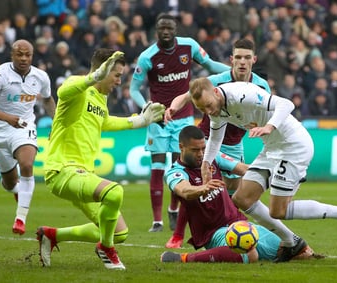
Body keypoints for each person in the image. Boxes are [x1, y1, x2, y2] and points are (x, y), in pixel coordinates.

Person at [189, 78, 337, 262]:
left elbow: (286, 103)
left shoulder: (242, 95)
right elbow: (215, 136)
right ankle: (292, 243)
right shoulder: (215, 107)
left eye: (209, 105)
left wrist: (269, 126)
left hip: (293, 145)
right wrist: (206, 164)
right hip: (272, 148)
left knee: (278, 210)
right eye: (202, 109)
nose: (208, 111)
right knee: (243, 198)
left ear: (216, 92)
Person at [35, 49, 165, 270]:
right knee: (114, 192)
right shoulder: (78, 89)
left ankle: (51, 235)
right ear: (101, 71)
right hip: (62, 171)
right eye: (116, 75)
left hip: (83, 174)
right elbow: (64, 90)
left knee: (119, 232)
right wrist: (92, 78)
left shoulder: (100, 98)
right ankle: (106, 249)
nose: (118, 81)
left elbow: (104, 122)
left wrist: (140, 121)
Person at [164, 38, 271, 248]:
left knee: (232, 192)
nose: (242, 62)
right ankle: (178, 234)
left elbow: (267, 113)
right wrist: (173, 108)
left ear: (253, 60)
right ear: (231, 59)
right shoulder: (217, 81)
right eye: (238, 57)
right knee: (202, 185)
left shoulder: (261, 85)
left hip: (235, 143)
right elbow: (185, 96)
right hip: (209, 140)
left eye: (247, 58)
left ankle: (232, 229)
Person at [129, 13, 229, 233]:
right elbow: (133, 89)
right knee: (156, 168)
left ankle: (173, 210)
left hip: (183, 116)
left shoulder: (189, 46)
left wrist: (233, 72)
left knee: (178, 166)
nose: (166, 31)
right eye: (162, 28)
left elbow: (211, 65)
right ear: (156, 30)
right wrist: (145, 106)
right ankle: (157, 221)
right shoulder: (147, 57)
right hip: (158, 118)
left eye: (170, 28)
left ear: (176, 29)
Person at [160, 125, 318, 263]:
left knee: (294, 250)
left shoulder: (212, 156)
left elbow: (244, 168)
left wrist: (279, 174)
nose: (201, 154)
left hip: (239, 223)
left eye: (203, 148)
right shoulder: (175, 172)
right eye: (195, 150)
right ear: (181, 147)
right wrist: (203, 188)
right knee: (250, 254)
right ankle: (183, 258)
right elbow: (184, 190)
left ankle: (221, 255)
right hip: (214, 232)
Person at [0, 39, 56, 235]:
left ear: (32, 56)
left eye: (28, 55)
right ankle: (18, 191)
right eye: (20, 54)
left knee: (27, 165)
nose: (24, 59)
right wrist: (8, 118)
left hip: (24, 127)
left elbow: (47, 99)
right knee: (10, 184)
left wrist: (57, 123)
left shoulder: (40, 76)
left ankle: (20, 219)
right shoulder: (0, 74)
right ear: (12, 55)